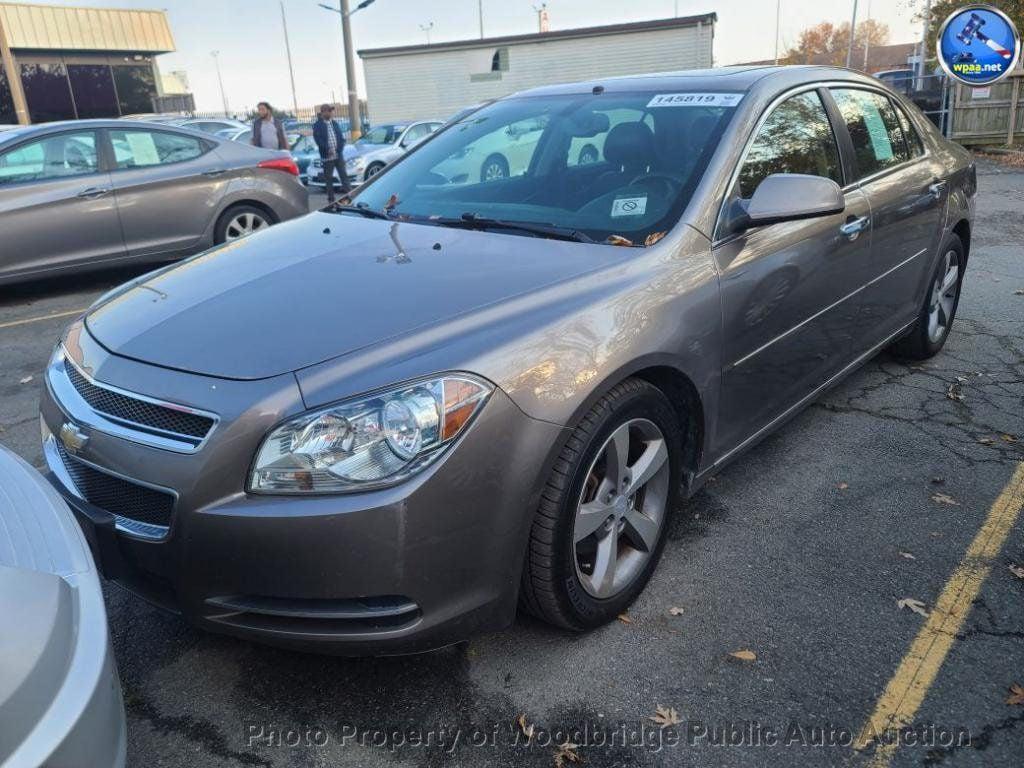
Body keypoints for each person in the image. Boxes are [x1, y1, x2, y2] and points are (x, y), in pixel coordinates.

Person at [313, 103, 350, 202]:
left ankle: (350, 197)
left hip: (338, 155)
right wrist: (327, 149)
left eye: (331, 111)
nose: (331, 113)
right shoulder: (317, 125)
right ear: (323, 112)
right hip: (327, 156)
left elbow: (341, 138)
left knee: (344, 176)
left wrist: (339, 149)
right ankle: (331, 200)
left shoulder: (335, 123)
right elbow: (318, 140)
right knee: (328, 179)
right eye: (329, 111)